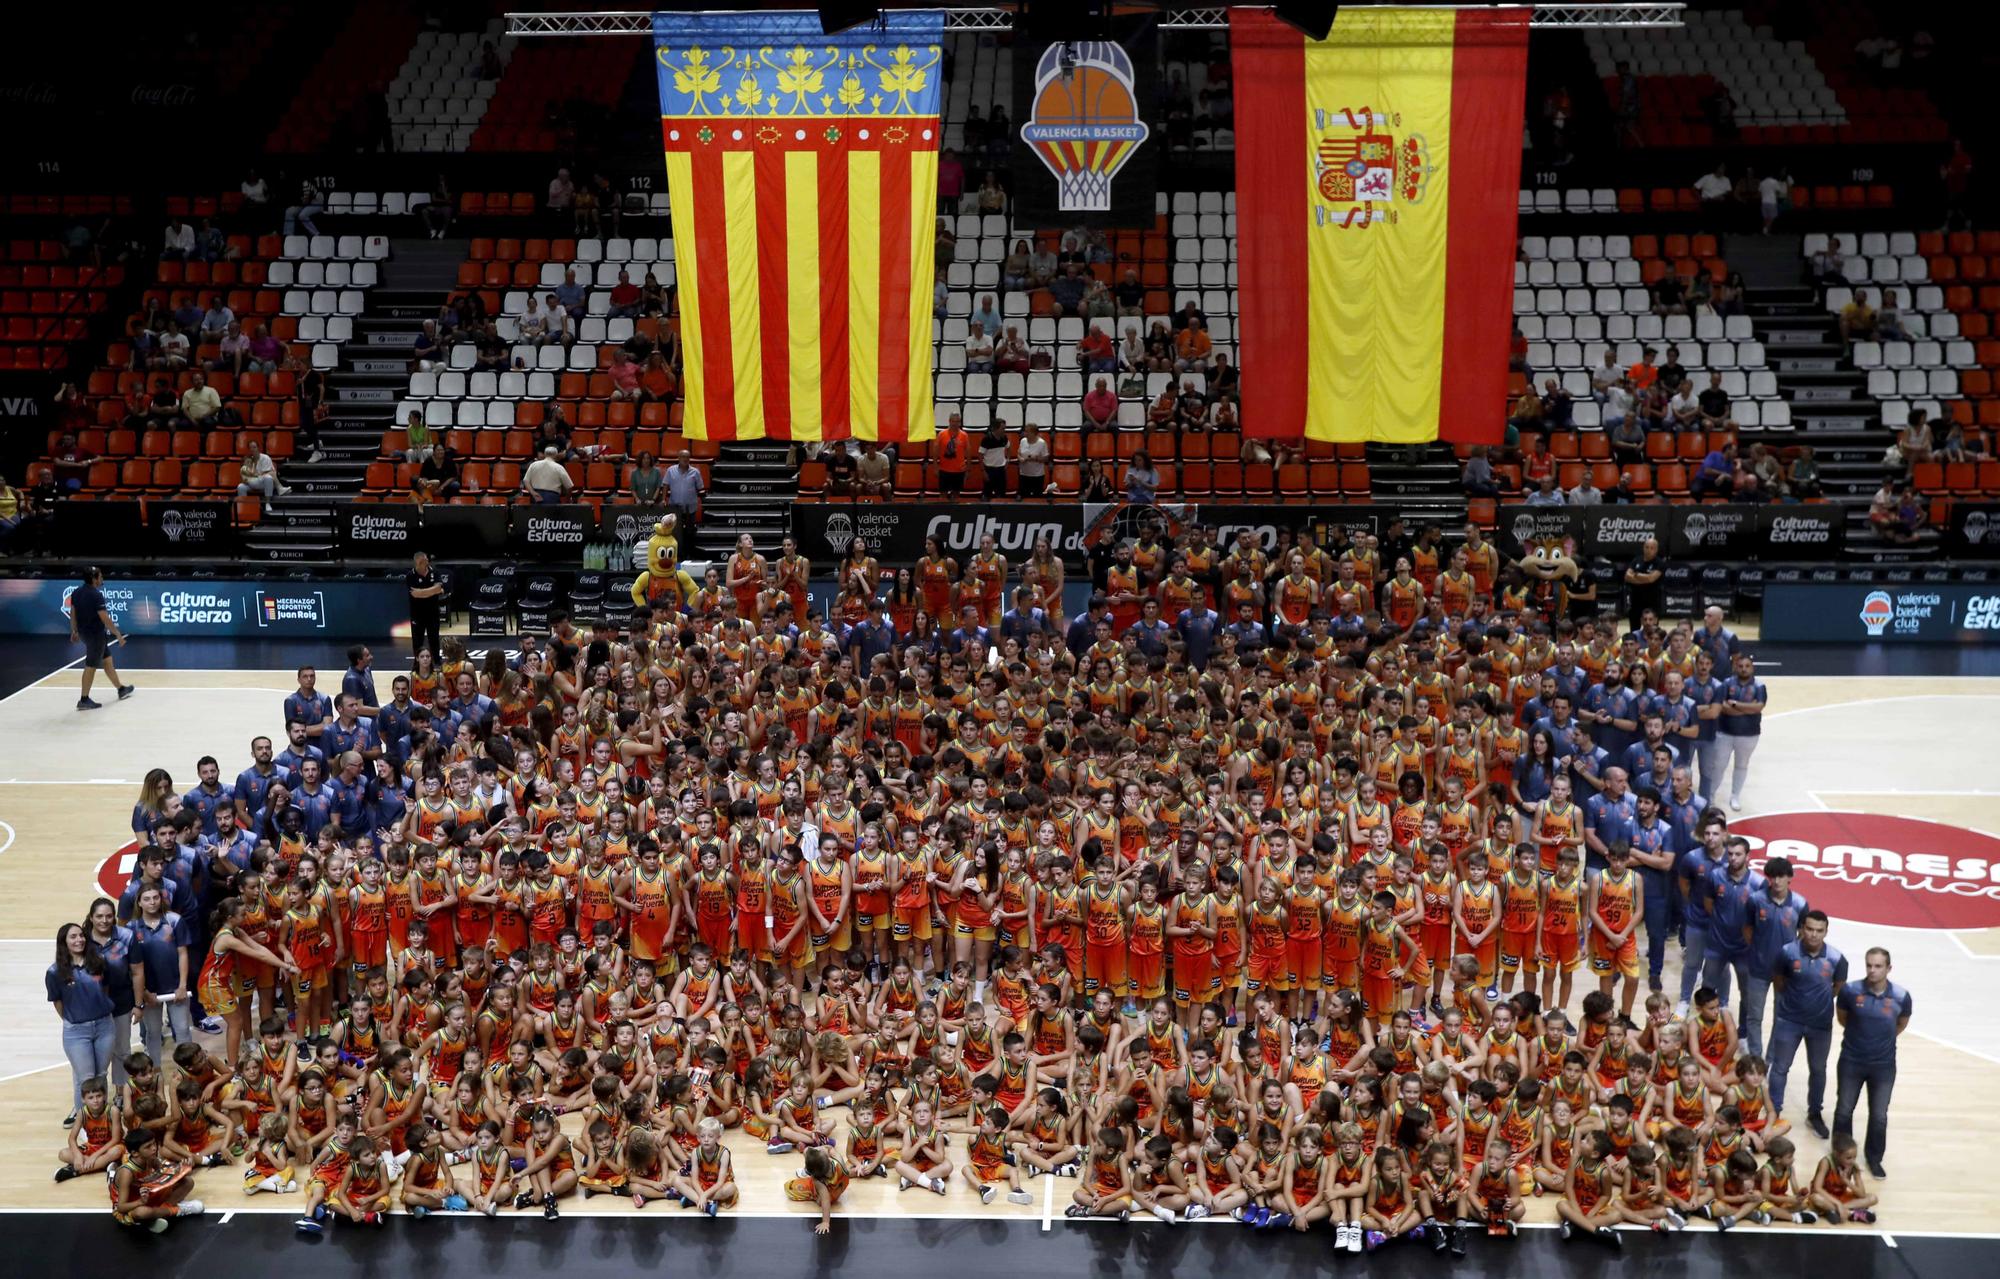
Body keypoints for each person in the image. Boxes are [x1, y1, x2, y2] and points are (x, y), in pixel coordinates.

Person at [1833, 948, 1910, 1180]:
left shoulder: (1901, 996)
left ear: (1889, 968)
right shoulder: (1850, 991)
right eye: (1869, 965)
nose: (1872, 970)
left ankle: (1874, 1159)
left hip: (1883, 1065)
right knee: (1845, 1109)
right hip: (1851, 1061)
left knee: (1879, 1115)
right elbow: (1842, 1018)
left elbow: (1900, 1024)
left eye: (1878, 966)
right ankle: (1840, 1156)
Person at [1769, 909, 1844, 1139]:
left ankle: (1815, 1114)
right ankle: (1774, 1114)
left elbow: (1837, 987)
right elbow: (1779, 981)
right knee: (1780, 1068)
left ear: (1826, 932)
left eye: (1819, 931)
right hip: (1788, 1020)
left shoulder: (1836, 958)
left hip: (1820, 1025)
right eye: (1809, 929)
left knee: (1818, 1070)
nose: (1813, 935)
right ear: (1802, 928)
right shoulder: (1787, 952)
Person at [69, 566, 132, 711]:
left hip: (86, 634)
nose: (102, 578)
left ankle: (121, 689)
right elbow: (105, 618)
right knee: (91, 665)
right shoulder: (96, 595)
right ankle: (84, 699)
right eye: (100, 576)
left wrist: (74, 630)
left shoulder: (76, 592)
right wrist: (117, 634)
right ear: (94, 579)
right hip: (95, 636)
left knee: (107, 660)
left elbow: (73, 613)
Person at [1714, 652, 1765, 810]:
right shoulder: (1727, 683)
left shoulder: (1759, 685)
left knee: (1741, 765)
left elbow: (1759, 707)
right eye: (1740, 666)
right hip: (1725, 732)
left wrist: (1735, 704)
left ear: (1752, 668)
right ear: (1735, 667)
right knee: (1719, 765)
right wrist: (1747, 709)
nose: (1744, 669)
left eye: (1747, 666)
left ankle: (1735, 796)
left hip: (1749, 734)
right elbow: (1722, 706)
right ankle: (1710, 796)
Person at [406, 551, 445, 662]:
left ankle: (436, 661)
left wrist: (422, 592)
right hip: (417, 614)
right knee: (417, 641)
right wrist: (433, 591)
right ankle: (417, 663)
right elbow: (415, 594)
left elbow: (438, 589)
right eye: (423, 561)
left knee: (434, 639)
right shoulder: (410, 576)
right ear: (417, 563)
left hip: (432, 613)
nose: (427, 562)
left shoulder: (435, 572)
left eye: (426, 560)